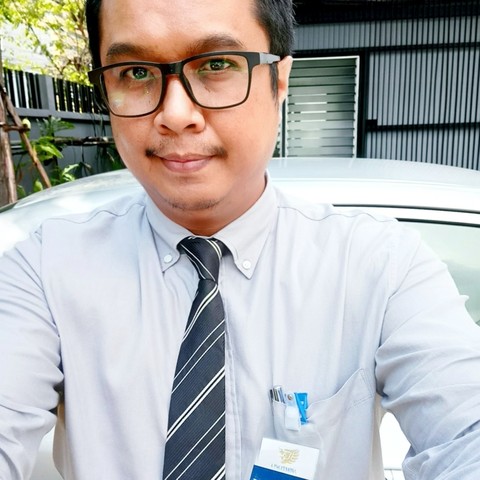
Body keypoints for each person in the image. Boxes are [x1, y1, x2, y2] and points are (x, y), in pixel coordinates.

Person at [1, 0, 479, 478]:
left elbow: (466, 431)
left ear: (280, 80)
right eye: (135, 72)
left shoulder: (382, 265)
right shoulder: (44, 269)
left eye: (216, 65)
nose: (175, 114)